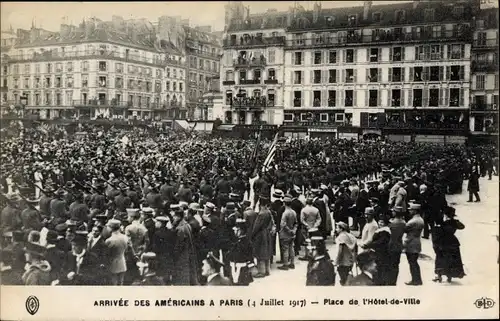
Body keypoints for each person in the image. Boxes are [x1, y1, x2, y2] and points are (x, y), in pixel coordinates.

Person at [432, 206, 466, 283]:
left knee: (441, 259)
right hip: (453, 242)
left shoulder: (442, 223)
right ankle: (449, 276)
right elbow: (462, 226)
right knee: (452, 260)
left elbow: (437, 232)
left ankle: (439, 275)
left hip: (443, 243)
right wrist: (455, 220)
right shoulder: (453, 223)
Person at [172, 206, 199, 285]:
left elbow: (178, 246)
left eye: (174, 216)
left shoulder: (180, 228)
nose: (173, 218)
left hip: (182, 258)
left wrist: (174, 255)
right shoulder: (186, 225)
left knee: (182, 279)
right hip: (188, 255)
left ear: (178, 216)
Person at [362, 215, 391, 285]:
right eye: (379, 222)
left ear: (385, 223)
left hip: (382, 252)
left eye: (382, 222)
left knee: (380, 268)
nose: (380, 223)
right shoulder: (382, 230)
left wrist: (368, 245)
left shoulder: (385, 231)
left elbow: (380, 242)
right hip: (379, 252)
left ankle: (379, 282)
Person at [226, 218, 254, 286]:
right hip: (235, 268)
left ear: (241, 230)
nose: (235, 232)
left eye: (236, 230)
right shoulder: (237, 241)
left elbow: (249, 257)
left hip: (241, 269)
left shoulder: (244, 243)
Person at [251, 195, 273, 278]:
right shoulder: (268, 212)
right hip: (267, 232)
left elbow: (256, 226)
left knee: (260, 253)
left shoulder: (261, 214)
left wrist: (252, 235)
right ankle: (267, 270)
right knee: (266, 252)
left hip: (260, 234)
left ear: (260, 204)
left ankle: (261, 271)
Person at [403, 203, 425, 286]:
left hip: (411, 243)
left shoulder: (413, 221)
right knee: (414, 263)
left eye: (411, 210)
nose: (409, 211)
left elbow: (404, 228)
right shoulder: (420, 219)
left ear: (415, 211)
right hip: (416, 242)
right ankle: (417, 279)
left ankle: (415, 280)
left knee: (412, 263)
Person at [105, 219, 128, 285]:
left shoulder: (109, 240)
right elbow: (126, 250)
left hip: (113, 263)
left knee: (114, 282)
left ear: (111, 228)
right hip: (122, 262)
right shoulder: (125, 237)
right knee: (121, 282)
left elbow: (107, 254)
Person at [387, 206, 406, 285]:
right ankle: (393, 280)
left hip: (391, 245)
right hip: (398, 244)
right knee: (396, 264)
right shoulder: (403, 222)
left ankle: (390, 280)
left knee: (390, 264)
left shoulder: (393, 223)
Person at [278, 196, 297, 270]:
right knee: (291, 248)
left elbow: (283, 224)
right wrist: (293, 231)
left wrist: (289, 231)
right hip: (292, 233)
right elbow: (296, 223)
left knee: (285, 249)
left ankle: (285, 264)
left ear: (284, 203)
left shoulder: (285, 213)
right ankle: (292, 263)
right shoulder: (293, 212)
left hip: (285, 234)